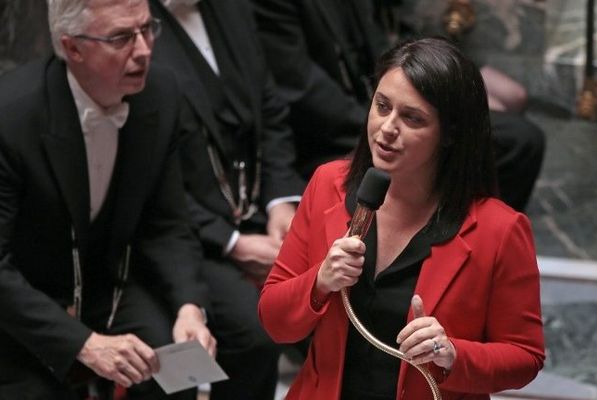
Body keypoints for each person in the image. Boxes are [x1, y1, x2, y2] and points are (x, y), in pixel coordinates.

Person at [258, 38, 545, 399]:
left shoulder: (499, 230)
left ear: (450, 134)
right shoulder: (328, 185)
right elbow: (274, 320)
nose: (387, 128)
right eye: (381, 106)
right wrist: (319, 282)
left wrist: (452, 353)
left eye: (412, 118)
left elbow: (525, 357)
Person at [0, 0, 216, 399]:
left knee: (174, 377)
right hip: (24, 307)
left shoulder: (161, 92)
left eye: (147, 29)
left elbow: (168, 222)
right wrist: (84, 344)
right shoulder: (11, 118)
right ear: (73, 48)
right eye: (121, 37)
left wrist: (190, 307)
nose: (145, 49)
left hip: (107, 285)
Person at [148, 0, 306, 398]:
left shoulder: (233, 9)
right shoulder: (137, 30)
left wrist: (280, 204)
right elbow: (152, 179)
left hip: (258, 207)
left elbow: (269, 112)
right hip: (189, 231)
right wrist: (232, 243)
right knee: (254, 331)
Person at [250, 0, 545, 212]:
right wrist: (386, 119)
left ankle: (470, 245)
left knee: (513, 131)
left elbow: (382, 47)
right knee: (515, 141)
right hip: (331, 135)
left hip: (380, 102)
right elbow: (303, 89)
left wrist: (432, 96)